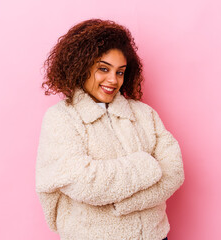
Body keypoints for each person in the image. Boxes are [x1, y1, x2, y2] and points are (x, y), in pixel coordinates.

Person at [35, 18, 185, 240]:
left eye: (120, 72)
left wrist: (125, 202)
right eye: (103, 69)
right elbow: (85, 183)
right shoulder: (61, 119)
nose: (113, 80)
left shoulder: (144, 114)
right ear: (80, 66)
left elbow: (174, 172)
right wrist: (147, 165)